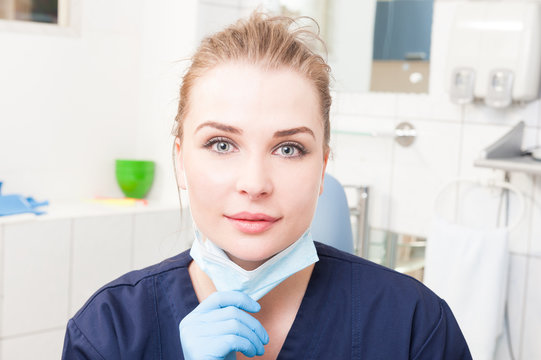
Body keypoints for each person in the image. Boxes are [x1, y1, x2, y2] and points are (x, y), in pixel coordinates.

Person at [62, 12, 472, 359]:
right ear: (180, 162)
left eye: (289, 149)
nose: (255, 183)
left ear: (323, 166)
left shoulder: (414, 327)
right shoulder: (108, 332)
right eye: (221, 144)